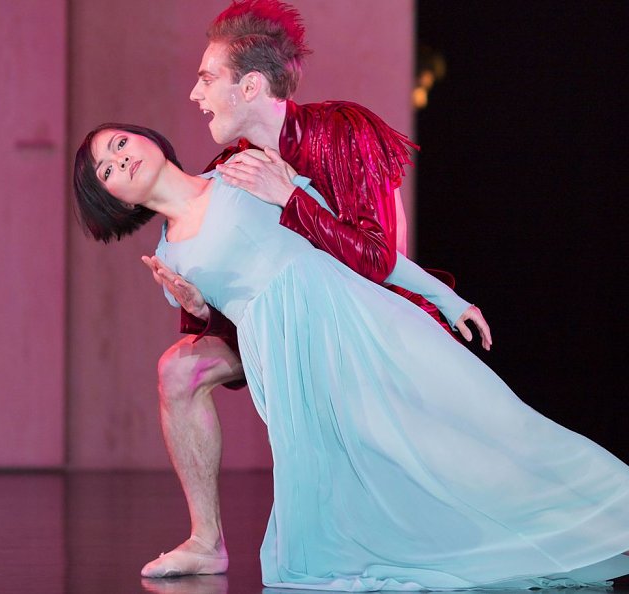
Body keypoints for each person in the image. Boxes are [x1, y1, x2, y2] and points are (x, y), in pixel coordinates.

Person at [74, 123, 629, 594]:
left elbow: (347, 243)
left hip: (364, 325)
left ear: (148, 140)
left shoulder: (240, 171)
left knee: (499, 436)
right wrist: (194, 302)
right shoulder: (166, 258)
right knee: (438, 481)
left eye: (119, 143)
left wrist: (440, 296)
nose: (120, 160)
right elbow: (231, 332)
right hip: (308, 380)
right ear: (115, 200)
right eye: (105, 169)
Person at [143, 0, 492, 580]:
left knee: (457, 474)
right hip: (282, 335)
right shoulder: (227, 166)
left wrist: (293, 201)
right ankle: (206, 540)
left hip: (367, 320)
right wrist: (198, 307)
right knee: (179, 367)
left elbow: (379, 262)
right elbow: (245, 295)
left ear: (250, 85)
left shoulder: (341, 131)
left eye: (206, 79)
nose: (194, 95)